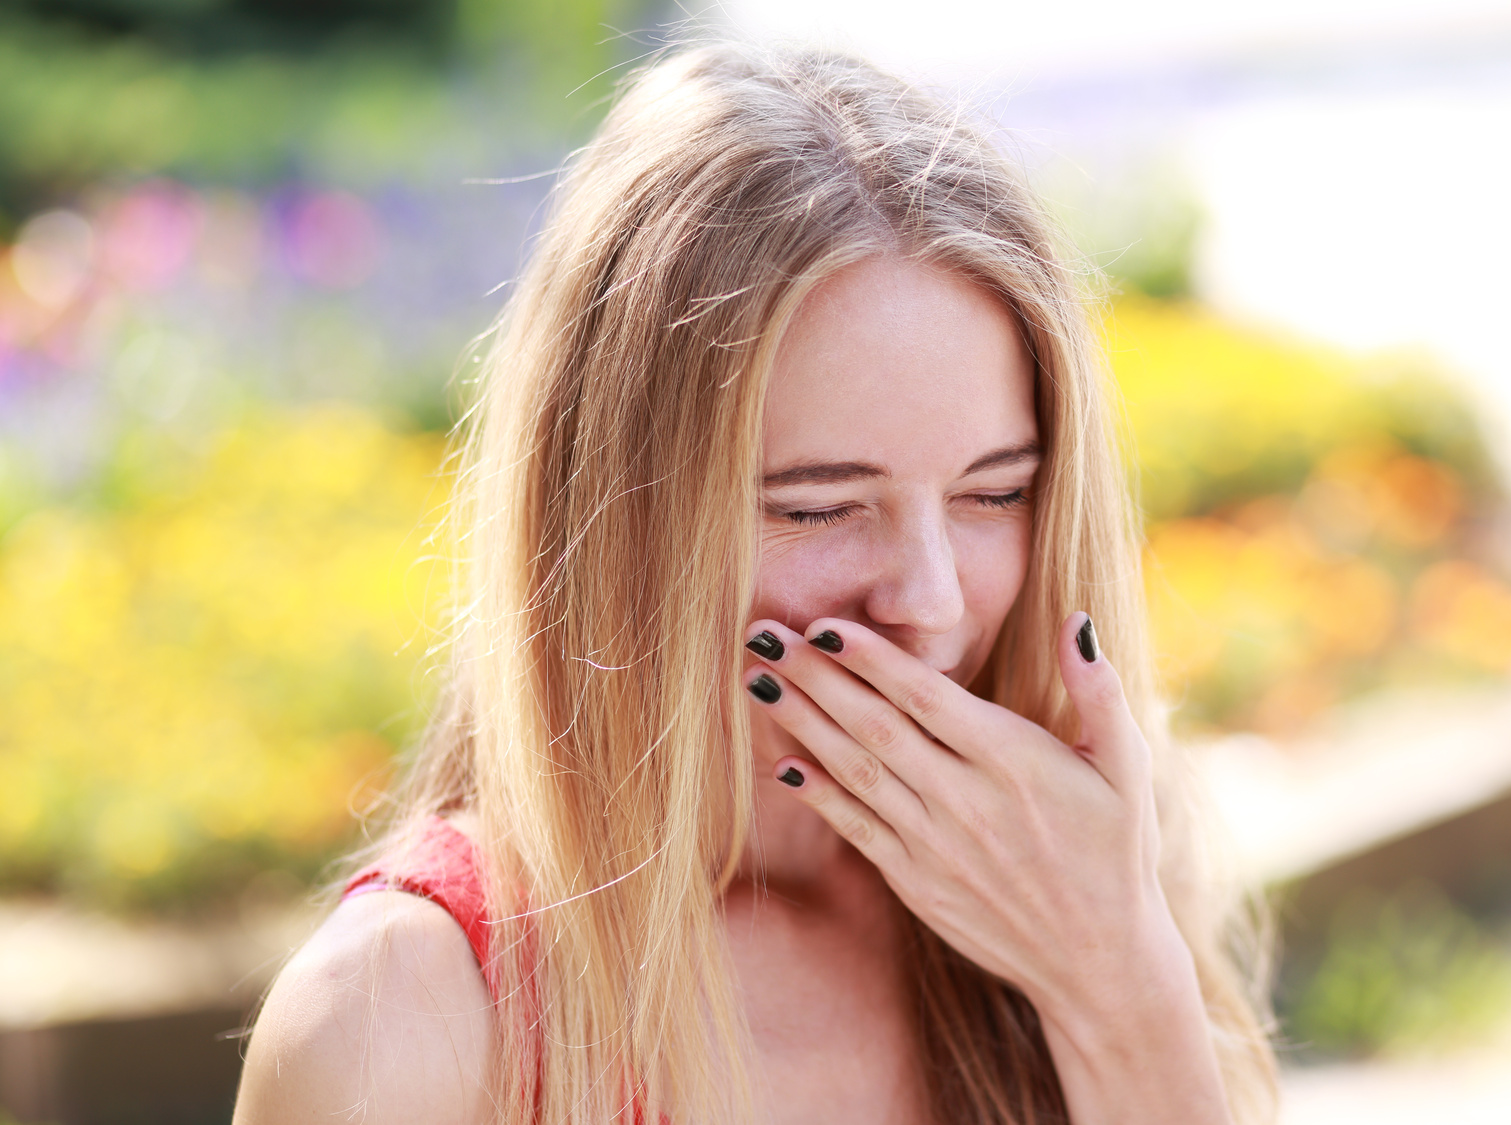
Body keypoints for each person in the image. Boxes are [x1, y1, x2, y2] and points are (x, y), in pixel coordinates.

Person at [232, 41, 1277, 1125]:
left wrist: (1117, 992)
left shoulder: (1084, 866)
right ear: (612, 512)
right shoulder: (397, 1027)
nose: (928, 600)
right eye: (816, 505)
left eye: (993, 493)